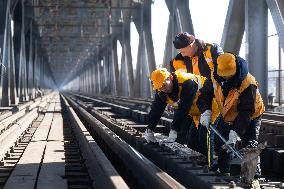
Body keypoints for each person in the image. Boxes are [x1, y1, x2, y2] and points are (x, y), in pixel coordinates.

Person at [197, 52, 265, 175]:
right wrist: (206, 111)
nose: (226, 78)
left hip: (251, 115)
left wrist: (235, 132)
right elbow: (205, 95)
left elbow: (246, 111)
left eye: (229, 75)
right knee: (221, 143)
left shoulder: (248, 83)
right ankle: (224, 172)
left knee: (249, 145)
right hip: (228, 114)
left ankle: (254, 175)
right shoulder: (214, 75)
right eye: (224, 75)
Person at [144, 68, 219, 166]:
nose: (163, 89)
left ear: (170, 77)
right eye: (159, 87)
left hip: (211, 108)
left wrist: (174, 129)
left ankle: (210, 167)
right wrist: (150, 129)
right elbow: (156, 110)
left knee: (205, 137)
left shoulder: (187, 82)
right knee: (192, 142)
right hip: (196, 112)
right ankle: (198, 166)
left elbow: (183, 108)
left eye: (164, 85)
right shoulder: (161, 91)